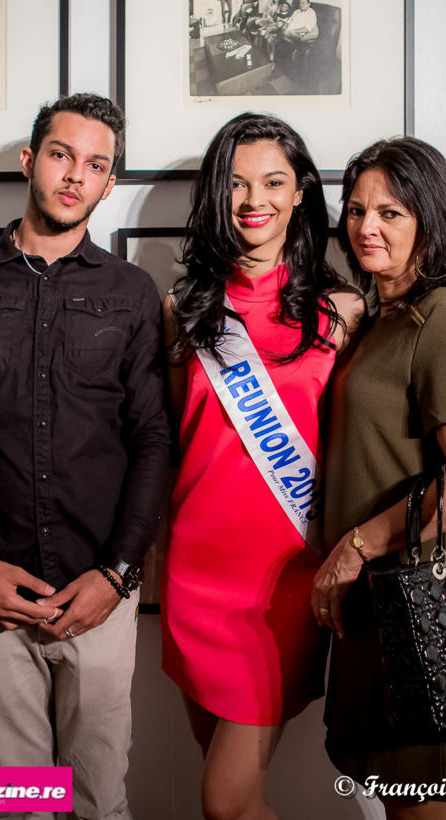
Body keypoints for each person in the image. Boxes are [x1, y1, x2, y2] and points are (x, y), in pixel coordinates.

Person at [0, 93, 170, 820]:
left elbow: (152, 438)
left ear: (109, 183)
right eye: (61, 154)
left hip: (100, 591)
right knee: (17, 805)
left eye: (96, 165)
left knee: (98, 801)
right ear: (30, 160)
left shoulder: (131, 293)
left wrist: (117, 574)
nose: (76, 175)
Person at [161, 112, 363, 820]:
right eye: (237, 183)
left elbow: (375, 432)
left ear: (301, 192)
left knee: (222, 802)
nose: (254, 200)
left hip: (284, 579)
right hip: (193, 572)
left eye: (274, 182)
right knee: (238, 802)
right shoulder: (182, 310)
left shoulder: (342, 310)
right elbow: (170, 439)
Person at [313, 136, 446, 819]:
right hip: (378, 595)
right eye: (356, 210)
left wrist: (356, 545)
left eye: (390, 212)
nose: (366, 226)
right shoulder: (382, 319)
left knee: (419, 803)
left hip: (423, 599)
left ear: (430, 219)